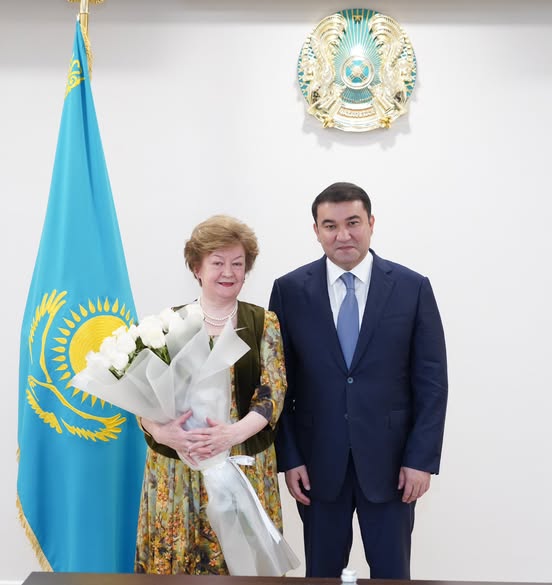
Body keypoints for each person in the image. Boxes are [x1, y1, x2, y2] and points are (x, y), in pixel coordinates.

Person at [269, 182, 448, 579]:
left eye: (353, 222)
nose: (343, 235)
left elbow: (432, 384)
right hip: (317, 467)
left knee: (392, 574)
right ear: (316, 231)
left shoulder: (412, 288)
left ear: (371, 223)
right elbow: (280, 385)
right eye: (330, 225)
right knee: (322, 573)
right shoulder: (289, 291)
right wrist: (291, 457)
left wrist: (420, 460)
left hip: (393, 467)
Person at [135, 215, 287, 575]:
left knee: (243, 566)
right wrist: (162, 433)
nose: (228, 272)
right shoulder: (166, 324)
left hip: (241, 464)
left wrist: (231, 434)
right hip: (177, 469)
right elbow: (141, 397)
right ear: (197, 268)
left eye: (238, 263)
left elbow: (273, 392)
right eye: (218, 263)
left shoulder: (263, 322)